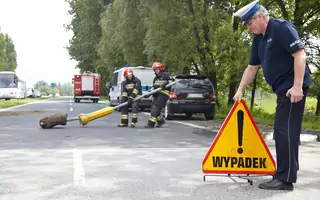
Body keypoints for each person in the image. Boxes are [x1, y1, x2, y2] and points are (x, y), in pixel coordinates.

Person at [233, 0, 312, 191]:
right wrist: (240, 89)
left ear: (260, 17)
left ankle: (285, 179)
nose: (248, 27)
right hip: (282, 90)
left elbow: (300, 55)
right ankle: (283, 174)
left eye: (249, 23)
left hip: (292, 89)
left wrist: (297, 87)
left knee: (285, 131)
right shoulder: (258, 40)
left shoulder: (281, 28)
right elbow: (252, 68)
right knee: (282, 131)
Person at [145, 62, 174, 128]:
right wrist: (148, 93)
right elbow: (153, 87)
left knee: (155, 109)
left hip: (163, 95)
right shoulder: (155, 78)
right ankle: (161, 121)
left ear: (160, 69)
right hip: (156, 95)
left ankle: (150, 124)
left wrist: (166, 83)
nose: (156, 71)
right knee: (153, 108)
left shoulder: (166, 74)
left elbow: (172, 81)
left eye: (157, 69)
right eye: (155, 69)